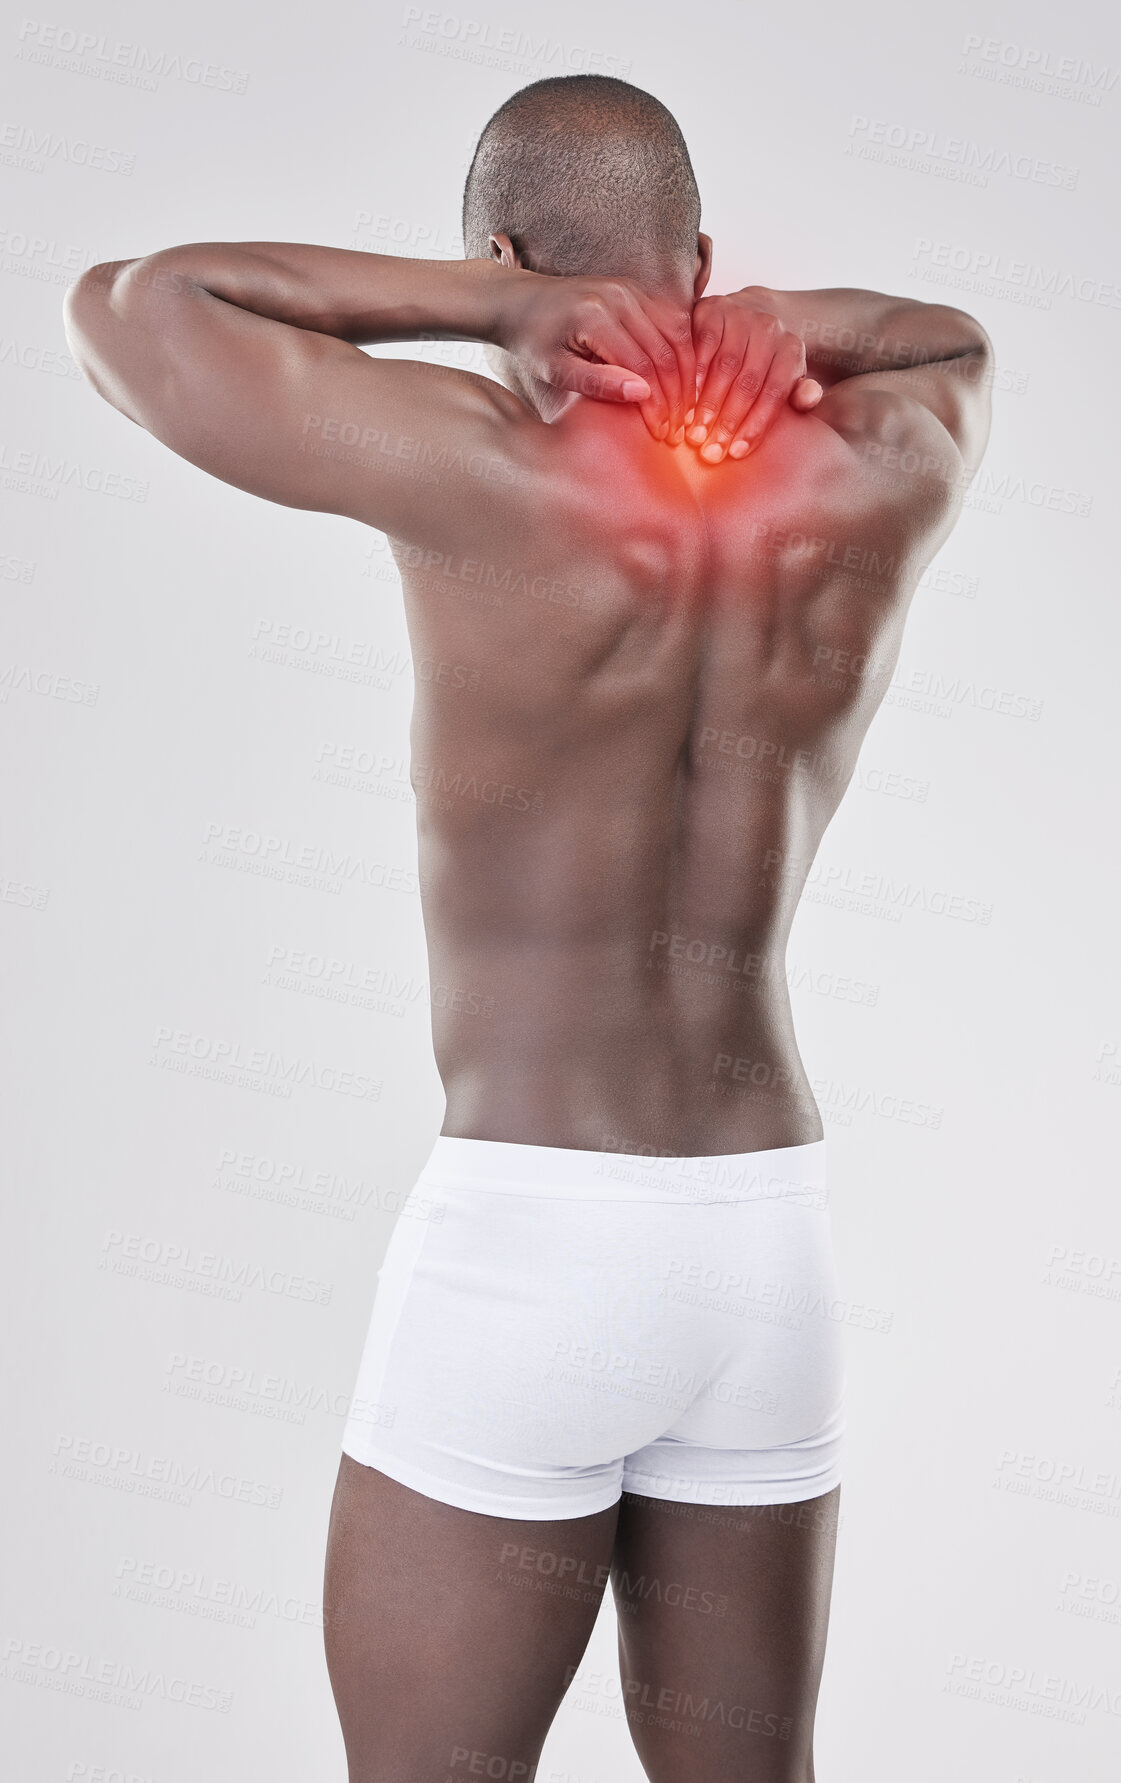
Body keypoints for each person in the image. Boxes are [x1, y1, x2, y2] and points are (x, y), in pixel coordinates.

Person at [64, 72, 992, 1783]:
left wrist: (502, 309)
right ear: (700, 257)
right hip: (761, 1246)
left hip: (529, 1238)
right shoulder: (870, 467)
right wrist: (763, 326)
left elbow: (134, 306)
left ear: (507, 251)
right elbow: (948, 340)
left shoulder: (481, 468)